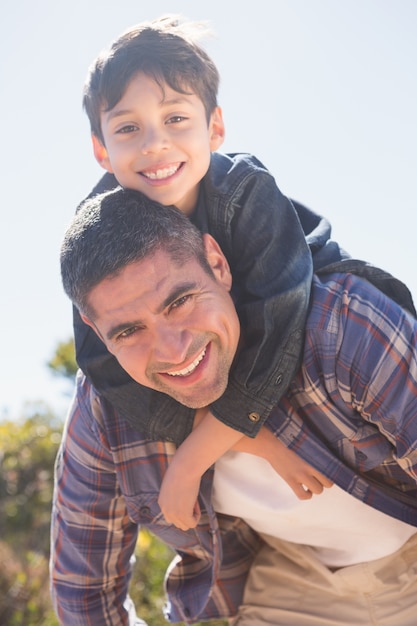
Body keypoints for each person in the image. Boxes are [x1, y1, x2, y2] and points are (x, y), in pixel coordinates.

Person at [52, 187, 417, 625]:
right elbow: (84, 590)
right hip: (295, 583)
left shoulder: (342, 328)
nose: (173, 350)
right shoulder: (105, 412)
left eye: (180, 301)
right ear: (96, 329)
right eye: (129, 332)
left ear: (218, 264)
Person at [73, 14, 355, 529]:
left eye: (176, 118)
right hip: (209, 342)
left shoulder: (247, 192)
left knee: (333, 315)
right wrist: (252, 434)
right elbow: (100, 360)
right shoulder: (97, 239)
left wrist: (191, 460)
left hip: (299, 288)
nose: (155, 144)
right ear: (101, 150)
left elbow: (279, 318)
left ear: (215, 127)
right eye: (129, 128)